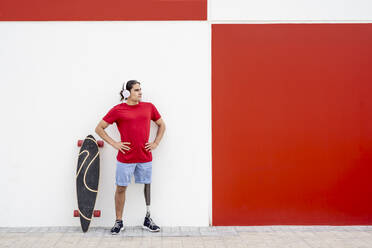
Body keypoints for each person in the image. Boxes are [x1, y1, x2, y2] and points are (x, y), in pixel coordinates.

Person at [95, 80, 166, 235]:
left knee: (147, 185)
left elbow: (162, 125)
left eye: (141, 89)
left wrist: (155, 142)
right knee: (121, 188)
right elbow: (99, 128)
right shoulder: (118, 110)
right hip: (125, 158)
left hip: (145, 156)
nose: (140, 92)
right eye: (136, 90)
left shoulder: (149, 107)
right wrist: (115, 143)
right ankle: (118, 222)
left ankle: (147, 218)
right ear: (127, 93)